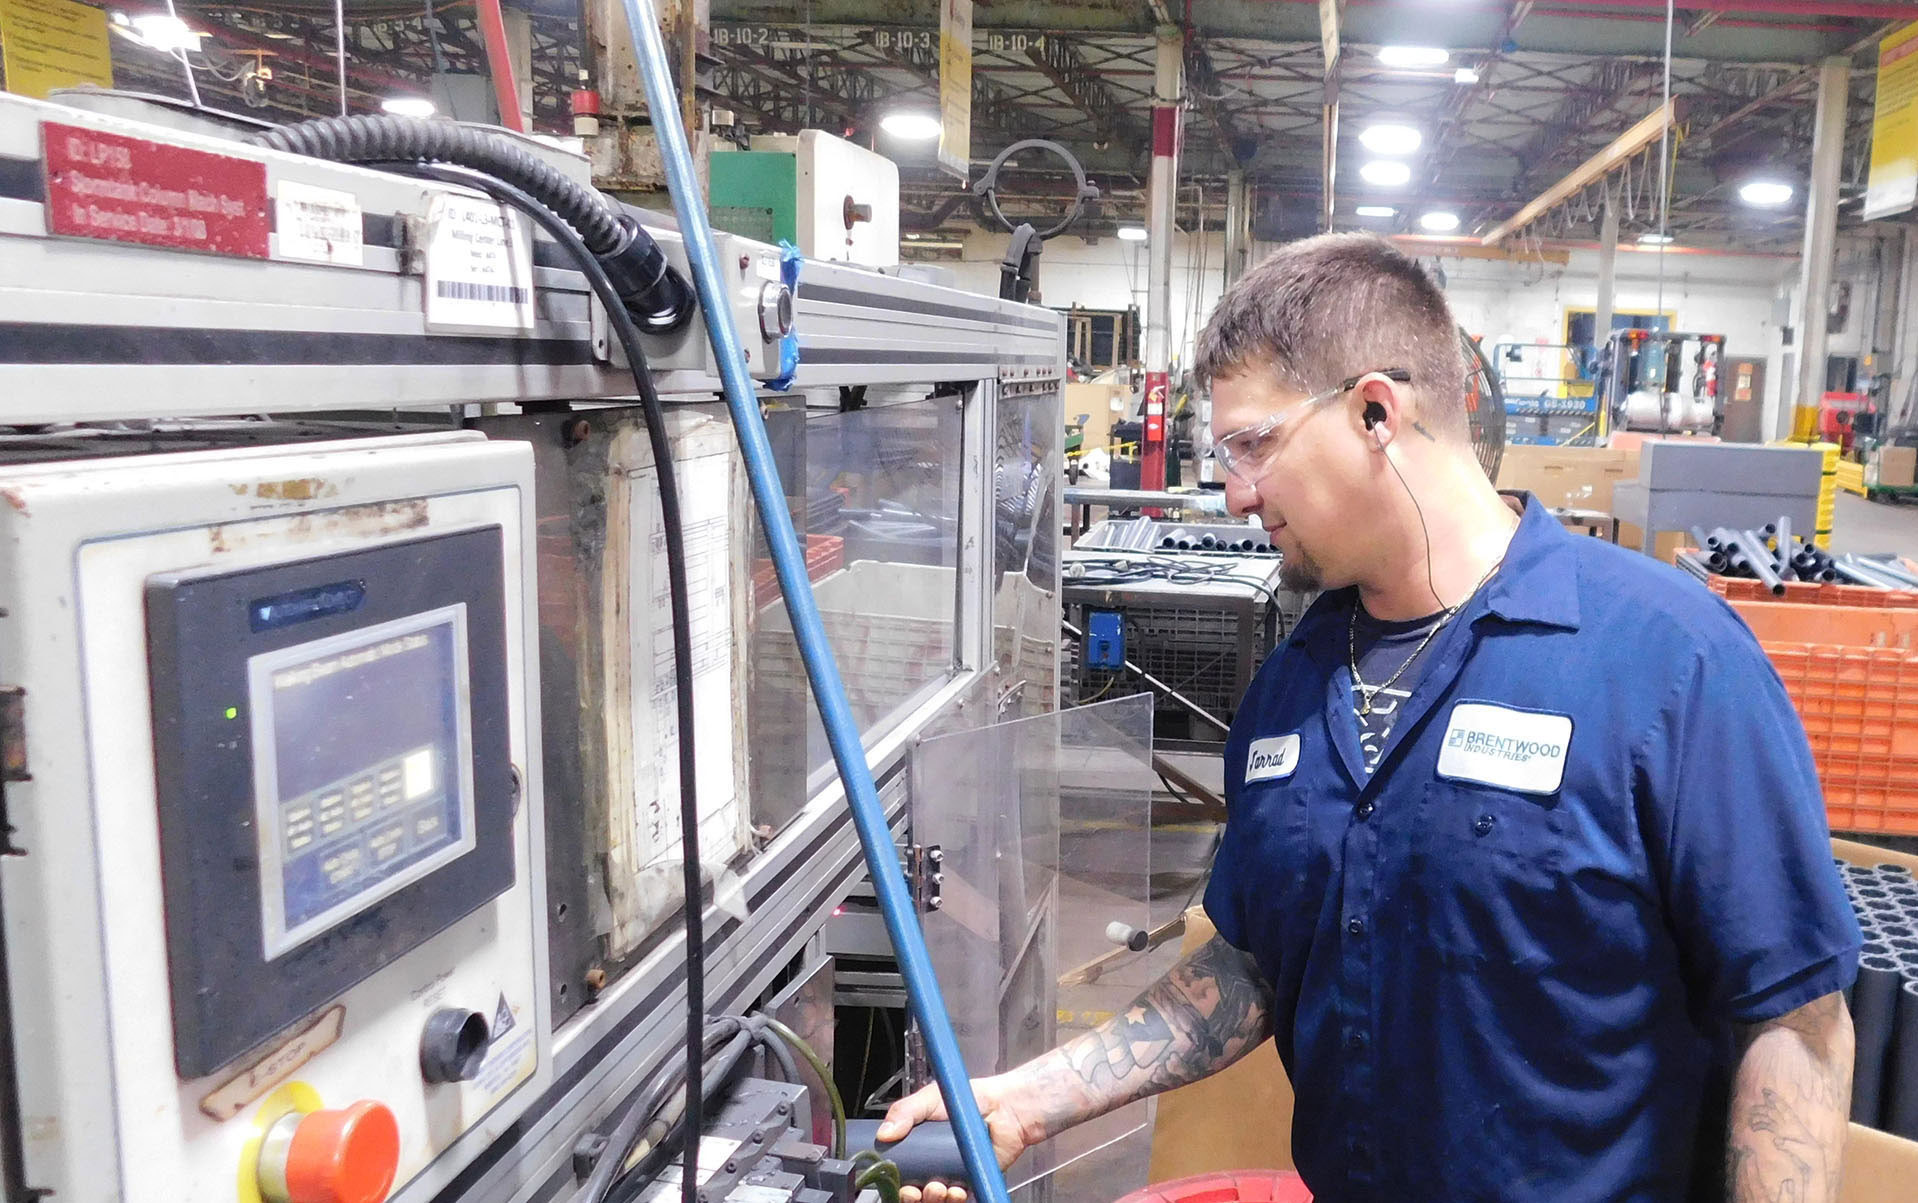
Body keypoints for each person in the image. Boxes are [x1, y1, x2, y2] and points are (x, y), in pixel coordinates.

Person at [878, 233, 1861, 1202]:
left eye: (1253, 445)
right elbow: (1252, 960)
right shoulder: (1291, 687)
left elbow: (1795, 1024)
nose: (1233, 493)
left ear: (1376, 412)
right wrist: (1027, 1097)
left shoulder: (1667, 661)